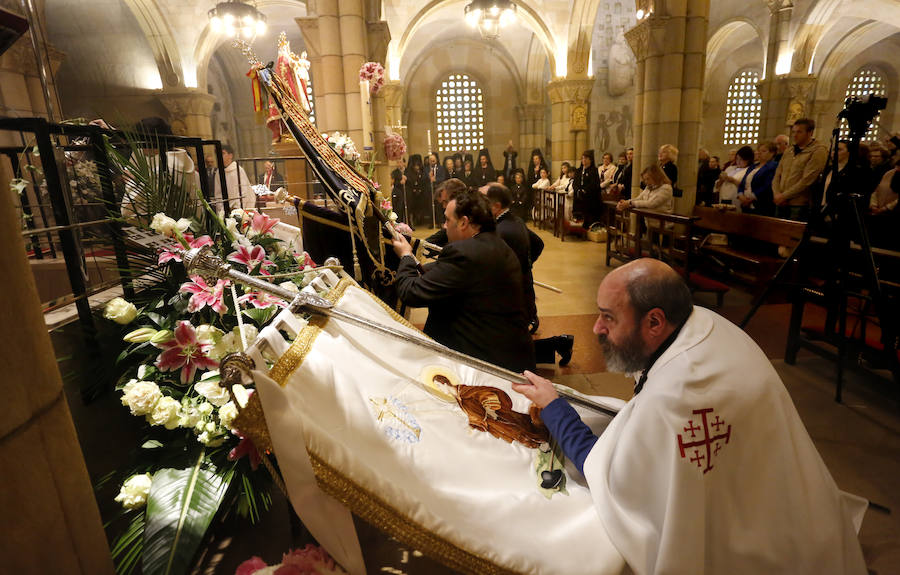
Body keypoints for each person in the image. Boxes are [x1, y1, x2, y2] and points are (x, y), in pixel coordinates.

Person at [511, 258, 868, 575]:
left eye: (608, 317)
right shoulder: (703, 322)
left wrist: (555, 407)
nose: (596, 329)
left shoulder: (678, 398)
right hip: (787, 508)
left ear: (654, 321)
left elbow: (612, 476)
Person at [392, 190, 535, 372]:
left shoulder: (465, 253)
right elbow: (449, 275)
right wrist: (416, 262)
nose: (444, 226)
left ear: (464, 222)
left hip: (487, 363)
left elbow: (410, 293)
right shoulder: (495, 244)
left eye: (447, 220)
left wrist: (405, 256)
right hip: (508, 352)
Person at [483, 183, 574, 364]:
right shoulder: (513, 220)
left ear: (496, 206)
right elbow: (537, 243)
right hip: (522, 295)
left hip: (516, 300)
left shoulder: (502, 230)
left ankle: (560, 343)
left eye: (484, 202)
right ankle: (561, 343)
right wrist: (525, 268)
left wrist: (522, 270)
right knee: (506, 349)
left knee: (503, 354)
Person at [772, 118, 829, 221]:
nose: (795, 135)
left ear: (810, 132)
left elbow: (807, 180)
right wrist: (777, 194)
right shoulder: (789, 150)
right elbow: (777, 174)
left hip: (799, 204)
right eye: (793, 131)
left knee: (793, 235)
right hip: (780, 201)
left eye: (799, 132)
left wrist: (784, 196)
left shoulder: (818, 151)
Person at [740, 141, 778, 216]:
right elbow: (743, 182)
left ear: (772, 153)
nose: (760, 153)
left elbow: (767, 185)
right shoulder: (752, 166)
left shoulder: (773, 166)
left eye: (763, 151)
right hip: (745, 203)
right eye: (759, 151)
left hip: (761, 204)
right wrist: (741, 195)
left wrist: (752, 198)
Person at [213, 143, 254, 211]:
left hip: (239, 208)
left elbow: (243, 191)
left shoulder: (237, 169)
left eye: (223, 153)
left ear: (230, 155)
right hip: (225, 209)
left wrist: (236, 208)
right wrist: (222, 209)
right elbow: (218, 194)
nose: (219, 156)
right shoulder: (218, 172)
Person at [575, 149, 602, 227]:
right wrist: (578, 190)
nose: (584, 160)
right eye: (582, 158)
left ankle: (588, 228)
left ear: (590, 160)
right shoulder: (579, 171)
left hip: (590, 197)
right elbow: (575, 183)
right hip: (579, 196)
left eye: (586, 158)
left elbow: (594, 184)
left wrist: (584, 190)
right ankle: (579, 228)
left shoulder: (594, 171)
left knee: (590, 215)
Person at [390, 158, 409, 224]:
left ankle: (408, 223)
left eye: (400, 162)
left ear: (404, 163)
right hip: (398, 192)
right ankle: (398, 223)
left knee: (407, 209)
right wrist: (400, 182)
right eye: (397, 162)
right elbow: (392, 183)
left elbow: (412, 182)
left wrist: (406, 179)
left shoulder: (408, 171)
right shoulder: (395, 172)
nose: (399, 164)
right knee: (398, 208)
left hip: (406, 192)